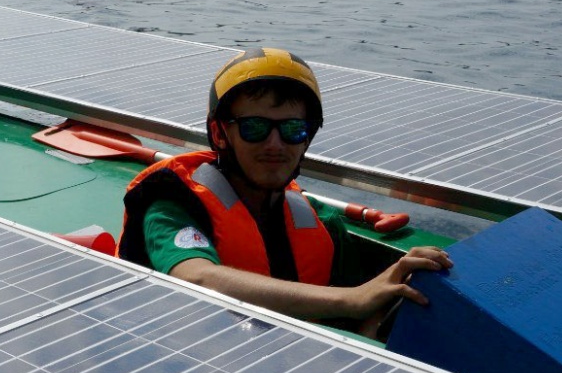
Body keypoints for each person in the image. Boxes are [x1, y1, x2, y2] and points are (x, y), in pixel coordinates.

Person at [117, 48, 453, 338]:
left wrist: (405, 279)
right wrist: (352, 300)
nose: (275, 144)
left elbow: (360, 320)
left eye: (293, 129)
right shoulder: (172, 204)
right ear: (220, 133)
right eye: (255, 128)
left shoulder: (318, 219)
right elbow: (198, 278)